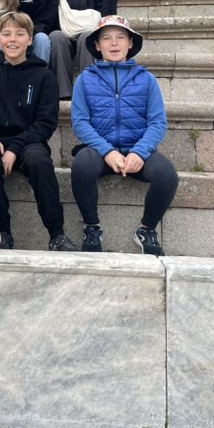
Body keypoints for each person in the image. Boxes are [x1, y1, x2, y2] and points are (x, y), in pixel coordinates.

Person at [70, 15, 177, 256]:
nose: (113, 43)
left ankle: (146, 229)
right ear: (97, 45)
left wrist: (140, 151)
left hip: (138, 150)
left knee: (167, 174)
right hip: (101, 151)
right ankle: (91, 227)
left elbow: (158, 122)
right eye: (106, 38)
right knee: (82, 164)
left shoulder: (146, 79)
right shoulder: (85, 80)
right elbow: (80, 122)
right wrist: (107, 151)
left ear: (130, 43)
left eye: (120, 37)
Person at [0, 12, 77, 252]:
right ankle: (2, 232)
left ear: (30, 40)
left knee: (39, 160)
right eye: (6, 34)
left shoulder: (44, 75)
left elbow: (45, 123)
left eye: (20, 34)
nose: (13, 40)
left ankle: (57, 234)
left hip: (30, 141)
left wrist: (14, 148)